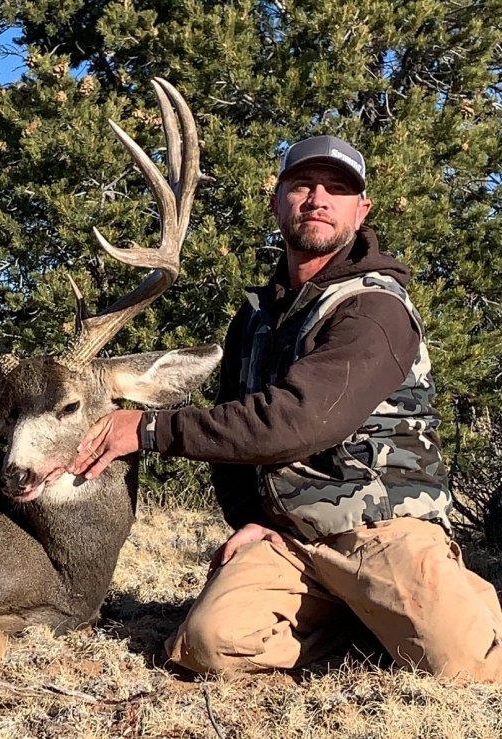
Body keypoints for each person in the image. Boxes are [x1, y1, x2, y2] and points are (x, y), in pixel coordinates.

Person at [70, 135, 502, 681]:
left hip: (382, 531)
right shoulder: (255, 319)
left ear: (361, 210)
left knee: (467, 667)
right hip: (293, 541)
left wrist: (148, 428)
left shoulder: (374, 307)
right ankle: (365, 622)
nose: (318, 199)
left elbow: (297, 420)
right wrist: (250, 520)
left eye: (337, 189)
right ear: (277, 203)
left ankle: (440, 603)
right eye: (303, 185)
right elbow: (233, 436)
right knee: (209, 645)